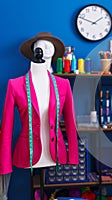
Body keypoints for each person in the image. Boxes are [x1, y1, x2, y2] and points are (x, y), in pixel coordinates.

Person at [0, 32, 78, 175]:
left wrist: (72, 156)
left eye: (49, 46)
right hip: (26, 154)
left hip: (55, 153)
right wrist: (4, 164)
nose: (45, 50)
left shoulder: (63, 85)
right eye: (41, 46)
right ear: (33, 51)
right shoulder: (15, 85)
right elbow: (6, 128)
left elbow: (71, 124)